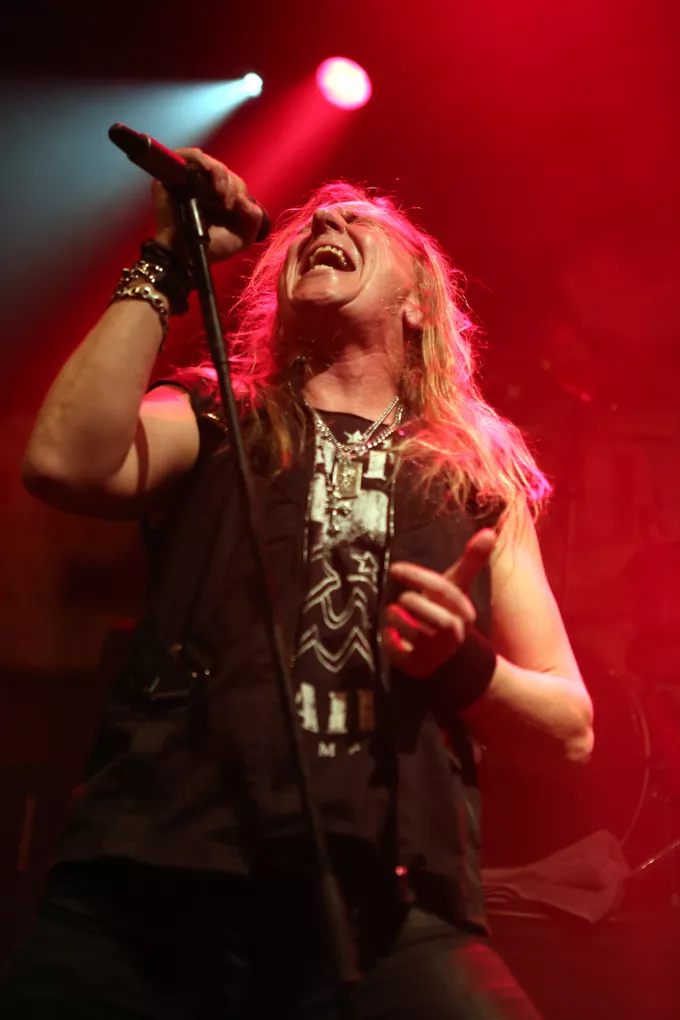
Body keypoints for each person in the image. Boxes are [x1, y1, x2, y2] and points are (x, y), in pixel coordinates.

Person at [3, 148, 594, 1019]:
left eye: (362, 223)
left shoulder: (474, 482)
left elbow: (569, 730)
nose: (324, 220)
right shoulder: (216, 414)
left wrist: (461, 661)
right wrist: (166, 261)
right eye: (314, 222)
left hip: (390, 907)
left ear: (419, 304)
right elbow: (64, 461)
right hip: (152, 880)